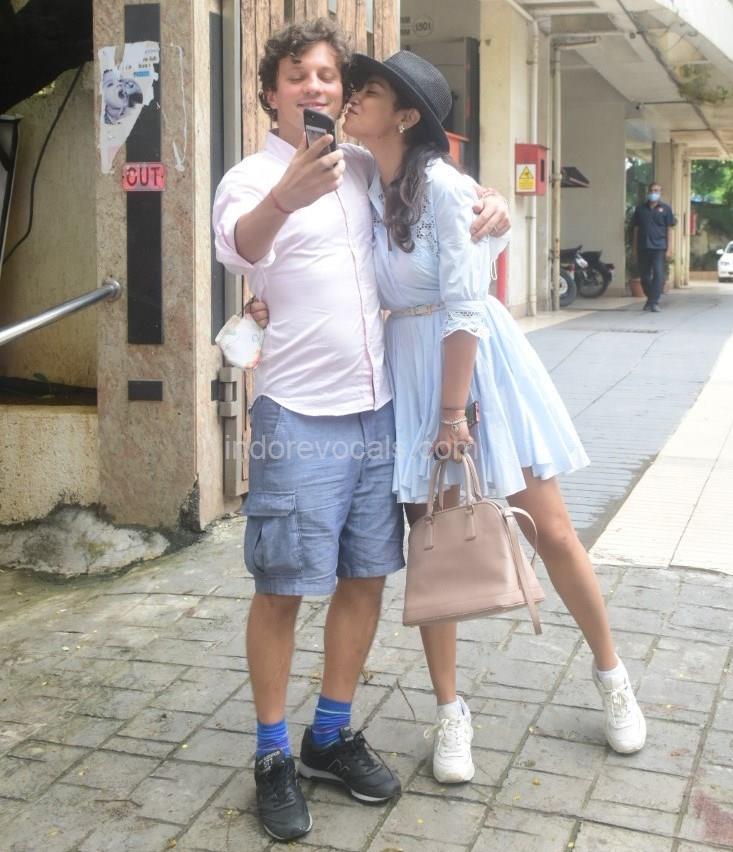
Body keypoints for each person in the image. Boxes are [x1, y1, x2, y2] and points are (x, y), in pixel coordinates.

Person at [211, 19, 509, 842]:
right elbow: (240, 247)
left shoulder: (362, 171)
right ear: (269, 92)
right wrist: (285, 196)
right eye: (297, 75)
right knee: (281, 586)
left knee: (366, 575)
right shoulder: (249, 179)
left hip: (377, 409)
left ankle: (330, 733)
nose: (315, 86)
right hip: (297, 412)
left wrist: (493, 204)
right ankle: (272, 753)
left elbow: (434, 196)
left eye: (327, 75)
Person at [337, 49, 647, 783]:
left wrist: (453, 414)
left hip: (473, 368)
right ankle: (450, 712)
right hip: (408, 368)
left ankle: (612, 676)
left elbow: (466, 307)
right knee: (434, 544)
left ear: (404, 116)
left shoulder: (445, 189)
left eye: (367, 91)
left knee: (550, 529)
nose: (349, 99)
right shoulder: (362, 178)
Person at [632, 182, 676, 312]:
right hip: (643, 247)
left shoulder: (666, 209)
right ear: (648, 192)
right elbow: (636, 229)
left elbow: (669, 229)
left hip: (659, 247)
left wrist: (669, 248)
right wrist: (634, 248)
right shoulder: (640, 209)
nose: (653, 193)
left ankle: (653, 302)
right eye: (651, 190)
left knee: (658, 274)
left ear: (661, 193)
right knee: (644, 277)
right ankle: (651, 299)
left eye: (656, 191)